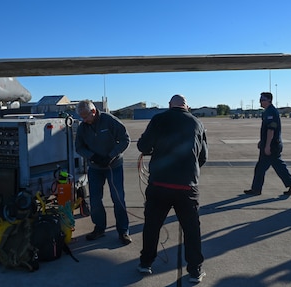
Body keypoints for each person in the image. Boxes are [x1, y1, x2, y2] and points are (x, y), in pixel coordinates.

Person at [136, 94, 208, 283]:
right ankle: (195, 270)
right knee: (192, 230)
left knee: (152, 226)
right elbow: (203, 156)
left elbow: (143, 145)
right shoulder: (197, 123)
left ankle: (146, 262)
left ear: (169, 105)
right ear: (187, 107)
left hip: (159, 184)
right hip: (186, 186)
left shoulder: (158, 119)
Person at [75, 100, 132, 245]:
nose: (84, 120)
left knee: (118, 199)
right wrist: (92, 156)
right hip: (95, 168)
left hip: (113, 166)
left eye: (86, 117)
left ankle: (123, 231)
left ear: (93, 112)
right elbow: (79, 147)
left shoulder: (109, 121)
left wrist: (110, 155)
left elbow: (125, 140)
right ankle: (99, 228)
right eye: (81, 117)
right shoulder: (83, 127)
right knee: (95, 199)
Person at [244, 92, 291, 196]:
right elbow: (266, 130)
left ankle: (256, 189)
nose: (260, 101)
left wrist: (267, 145)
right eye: (260, 99)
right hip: (269, 144)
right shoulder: (267, 112)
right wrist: (262, 141)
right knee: (277, 166)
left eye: (262, 99)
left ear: (269, 100)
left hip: (272, 145)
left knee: (262, 168)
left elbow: (271, 130)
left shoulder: (271, 112)